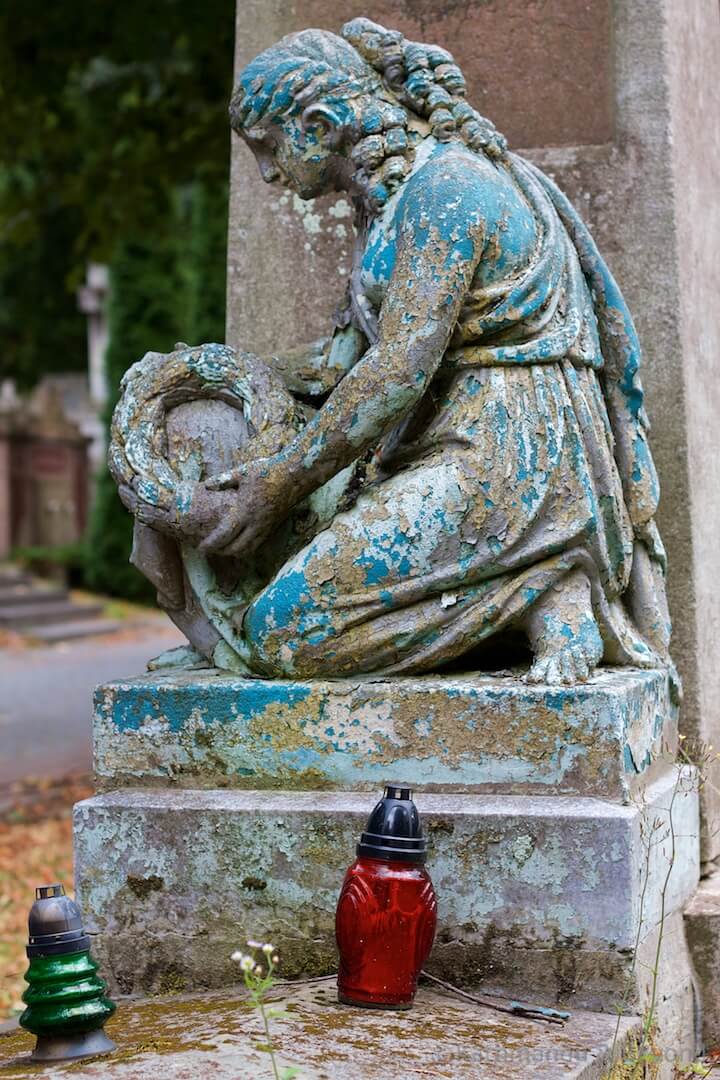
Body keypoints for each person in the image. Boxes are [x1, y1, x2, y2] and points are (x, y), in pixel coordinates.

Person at [115, 18, 672, 687]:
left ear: (319, 126)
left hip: (505, 456)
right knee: (238, 510)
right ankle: (523, 590)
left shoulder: (448, 190)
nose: (267, 173)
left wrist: (284, 479)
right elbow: (344, 359)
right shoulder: (383, 203)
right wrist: (207, 373)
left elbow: (400, 368)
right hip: (420, 445)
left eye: (269, 148)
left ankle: (546, 578)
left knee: (287, 637)